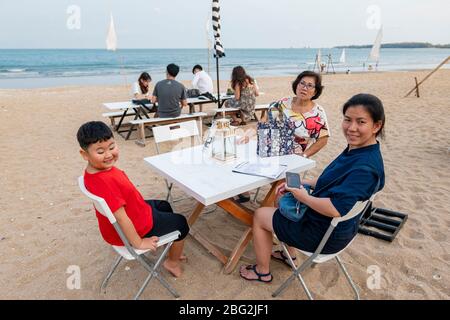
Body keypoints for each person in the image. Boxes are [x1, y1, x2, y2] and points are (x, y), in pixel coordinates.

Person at [239, 93, 385, 282]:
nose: (352, 128)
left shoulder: (364, 168)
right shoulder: (361, 151)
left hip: (323, 235)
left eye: (361, 122)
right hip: (342, 229)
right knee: (282, 198)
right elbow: (333, 181)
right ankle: (288, 254)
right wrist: (303, 184)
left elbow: (335, 208)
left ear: (376, 125)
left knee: (260, 215)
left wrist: (302, 196)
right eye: (347, 120)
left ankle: (261, 271)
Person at [77, 121, 189, 277]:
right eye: (100, 151)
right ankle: (172, 262)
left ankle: (171, 250)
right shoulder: (104, 182)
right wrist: (139, 242)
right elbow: (122, 218)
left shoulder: (95, 172)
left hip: (135, 211)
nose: (109, 154)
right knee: (181, 223)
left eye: (111, 147)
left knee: (164, 205)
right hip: (134, 225)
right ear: (84, 154)